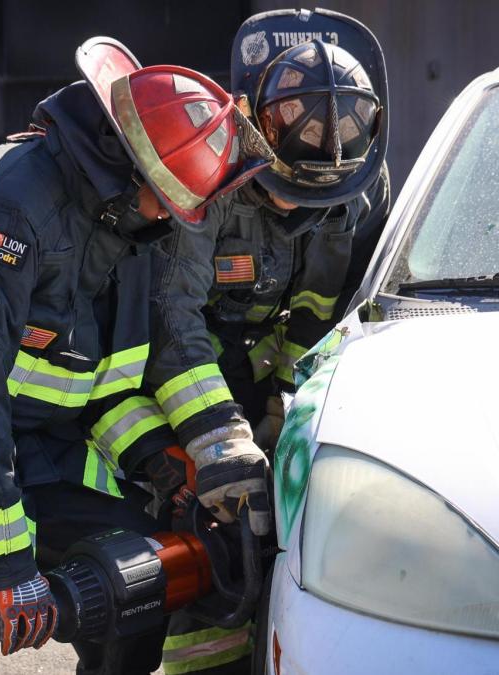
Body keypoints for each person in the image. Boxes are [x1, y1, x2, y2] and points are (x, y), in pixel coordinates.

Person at [0, 38, 272, 675]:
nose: (181, 222)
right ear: (128, 171)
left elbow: (101, 383)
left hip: (23, 454)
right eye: (171, 203)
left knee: (142, 579)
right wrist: (5, 570)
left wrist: (162, 462)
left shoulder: (131, 230)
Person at [147, 10, 392, 673]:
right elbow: (171, 319)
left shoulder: (363, 191)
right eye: (282, 193)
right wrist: (224, 443)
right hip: (179, 375)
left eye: (316, 202)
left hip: (277, 379)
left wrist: (288, 408)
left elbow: (346, 316)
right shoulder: (206, 176)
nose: (293, 208)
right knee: (199, 539)